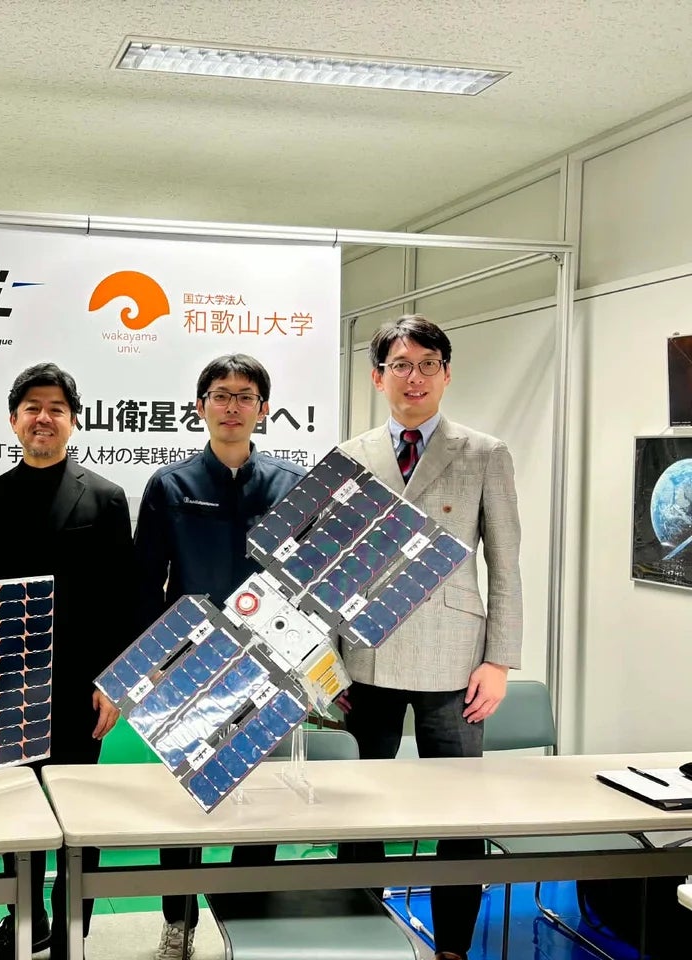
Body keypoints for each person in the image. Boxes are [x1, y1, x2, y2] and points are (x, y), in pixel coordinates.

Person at [338, 315, 522, 960]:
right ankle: (359, 935)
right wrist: (328, 660)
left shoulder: (484, 453)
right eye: (399, 365)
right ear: (377, 377)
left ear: (446, 374)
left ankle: (453, 948)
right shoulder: (352, 455)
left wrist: (500, 660)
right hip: (367, 652)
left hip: (457, 658)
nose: (412, 377)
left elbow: (505, 563)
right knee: (360, 806)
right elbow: (332, 565)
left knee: (460, 811)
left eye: (426, 364)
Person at [133, 354, 306, 960]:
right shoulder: (170, 485)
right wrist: (153, 665)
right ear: (200, 406)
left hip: (269, 665)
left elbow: (307, 582)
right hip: (191, 667)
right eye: (221, 395)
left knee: (261, 805)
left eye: (245, 396)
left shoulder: (291, 485)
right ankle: (177, 923)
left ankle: (247, 919)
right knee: (184, 803)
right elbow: (145, 582)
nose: (233, 407)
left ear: (264, 408)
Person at [0, 363, 134, 960]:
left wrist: (114, 681)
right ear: (13, 420)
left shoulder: (106, 498)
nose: (44, 417)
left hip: (80, 684)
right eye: (32, 407)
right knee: (17, 810)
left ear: (73, 421)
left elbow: (122, 597)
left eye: (57, 408)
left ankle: (71, 926)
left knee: (79, 808)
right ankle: (25, 919)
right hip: (7, 685)